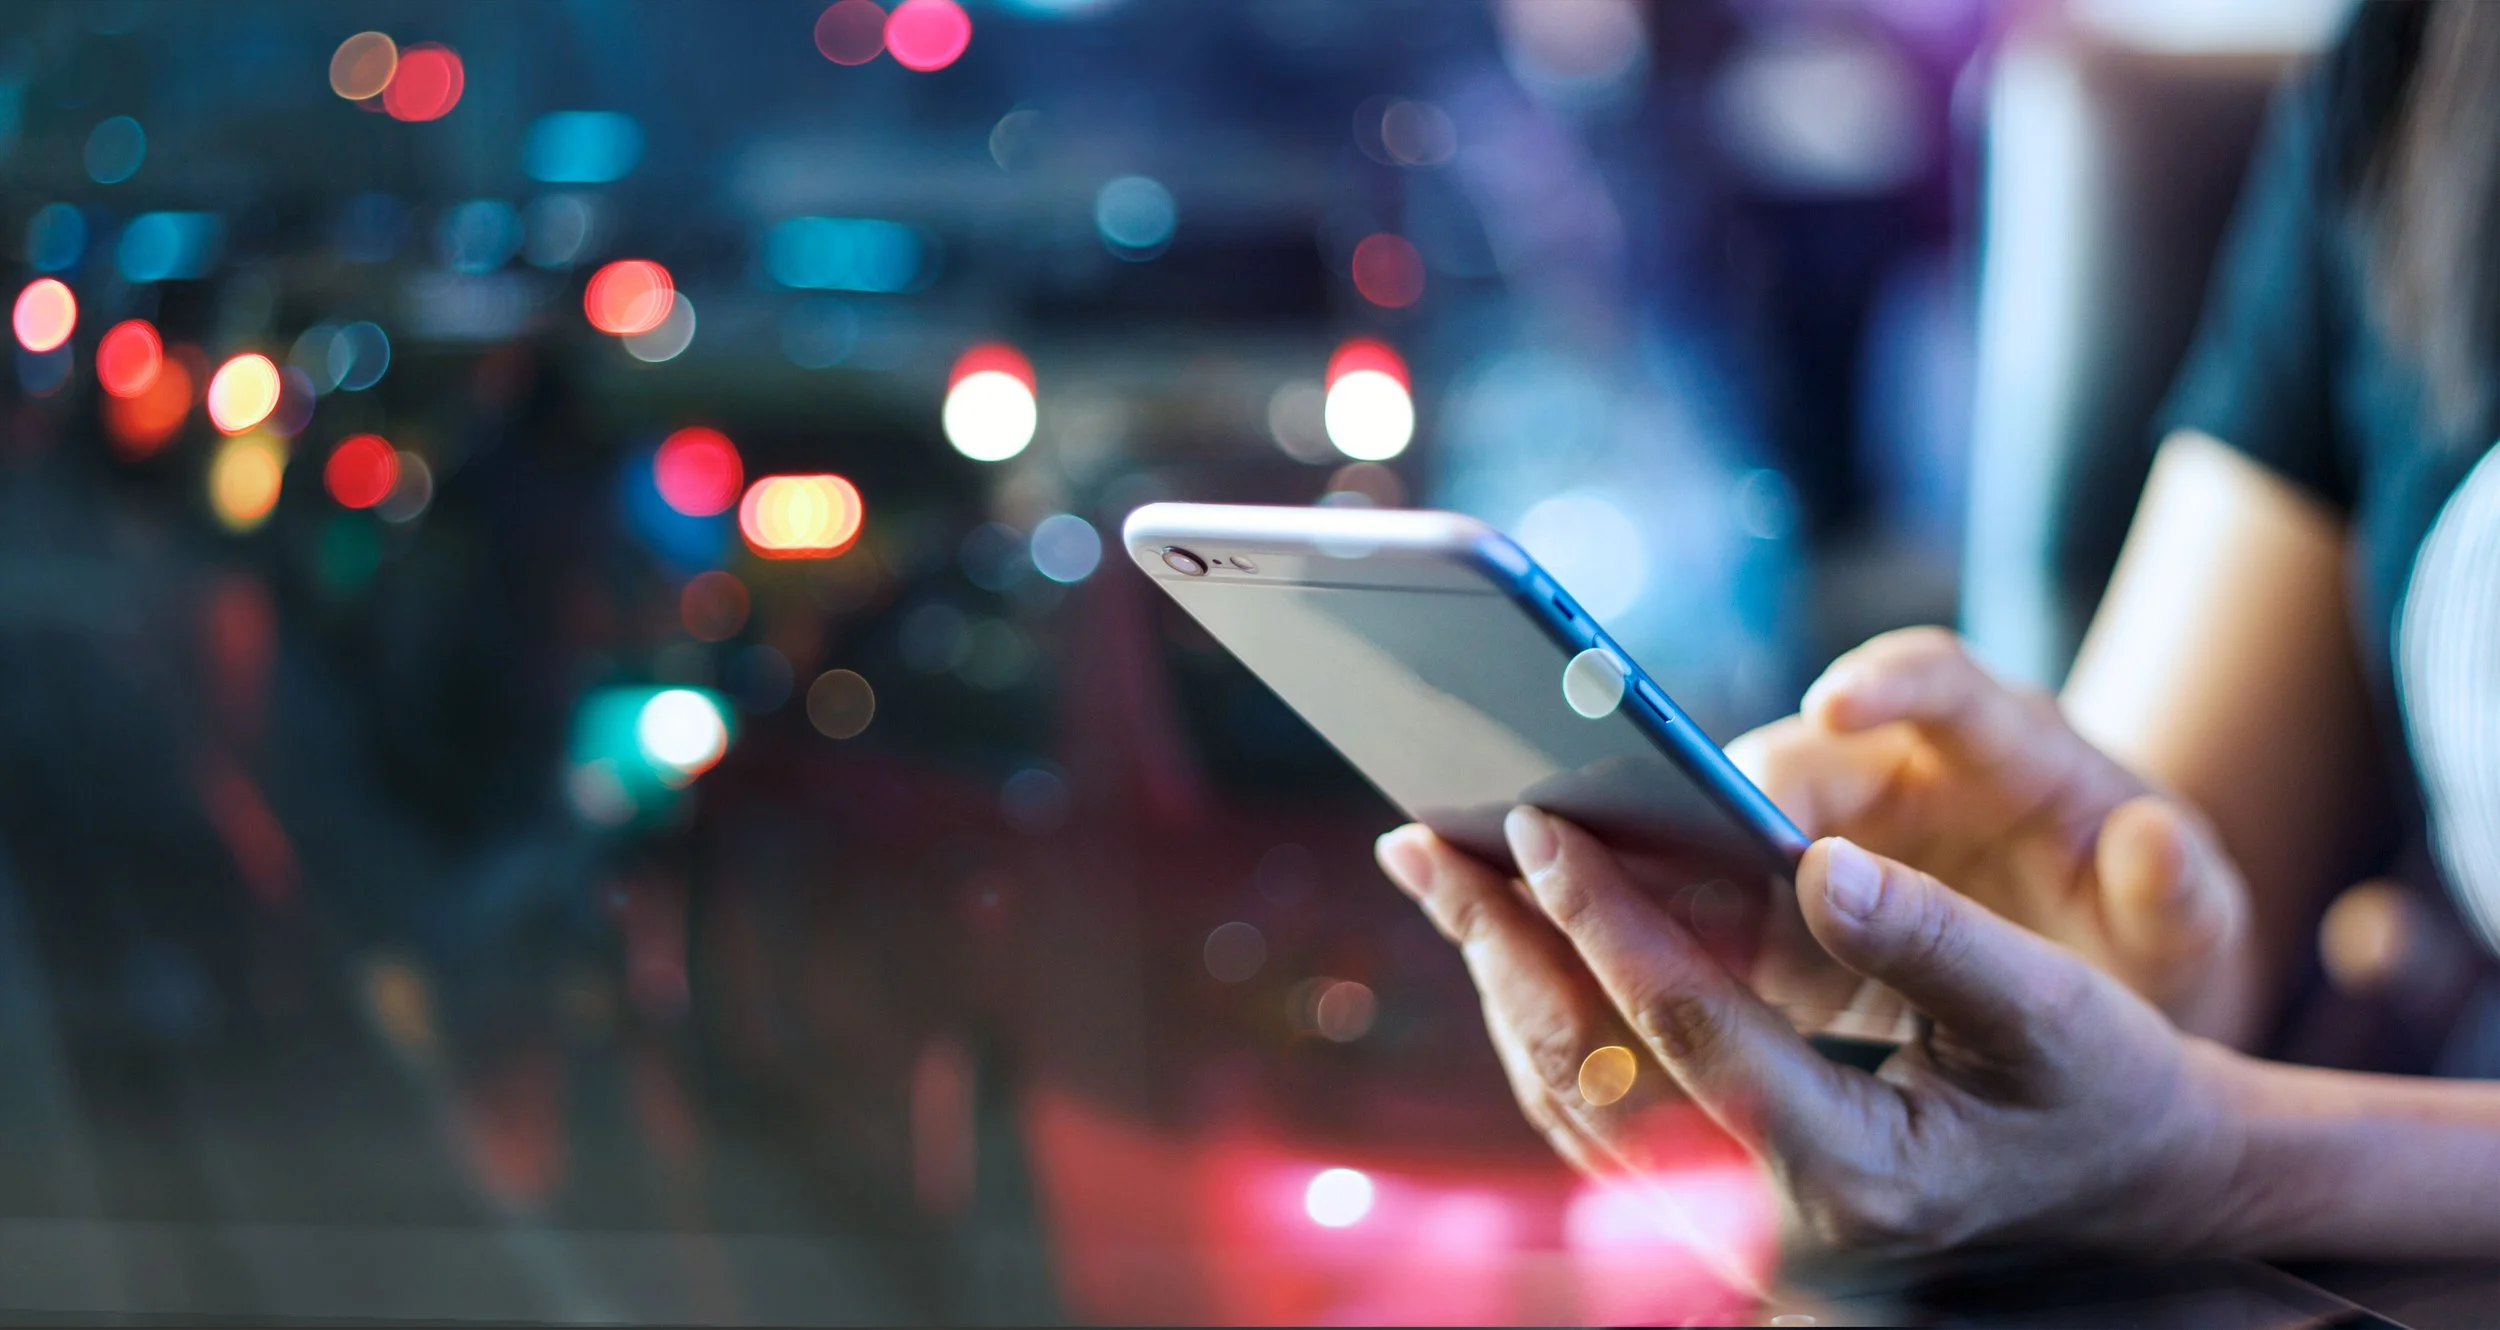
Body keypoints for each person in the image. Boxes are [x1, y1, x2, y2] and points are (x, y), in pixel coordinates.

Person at [1375, 0, 2500, 1256]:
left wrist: (2240, 1156)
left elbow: (2196, 1126)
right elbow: (2172, 892)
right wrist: (2028, 977)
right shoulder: (2416, 71)